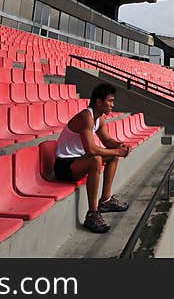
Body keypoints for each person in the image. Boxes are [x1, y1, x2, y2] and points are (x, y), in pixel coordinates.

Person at [50, 82, 131, 233]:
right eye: (110, 101)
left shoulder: (99, 119)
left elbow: (107, 141)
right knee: (96, 160)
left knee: (112, 155)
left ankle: (105, 200)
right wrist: (116, 151)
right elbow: (91, 149)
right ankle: (92, 214)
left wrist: (120, 146)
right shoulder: (86, 117)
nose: (112, 105)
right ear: (99, 102)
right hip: (65, 166)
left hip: (79, 160)